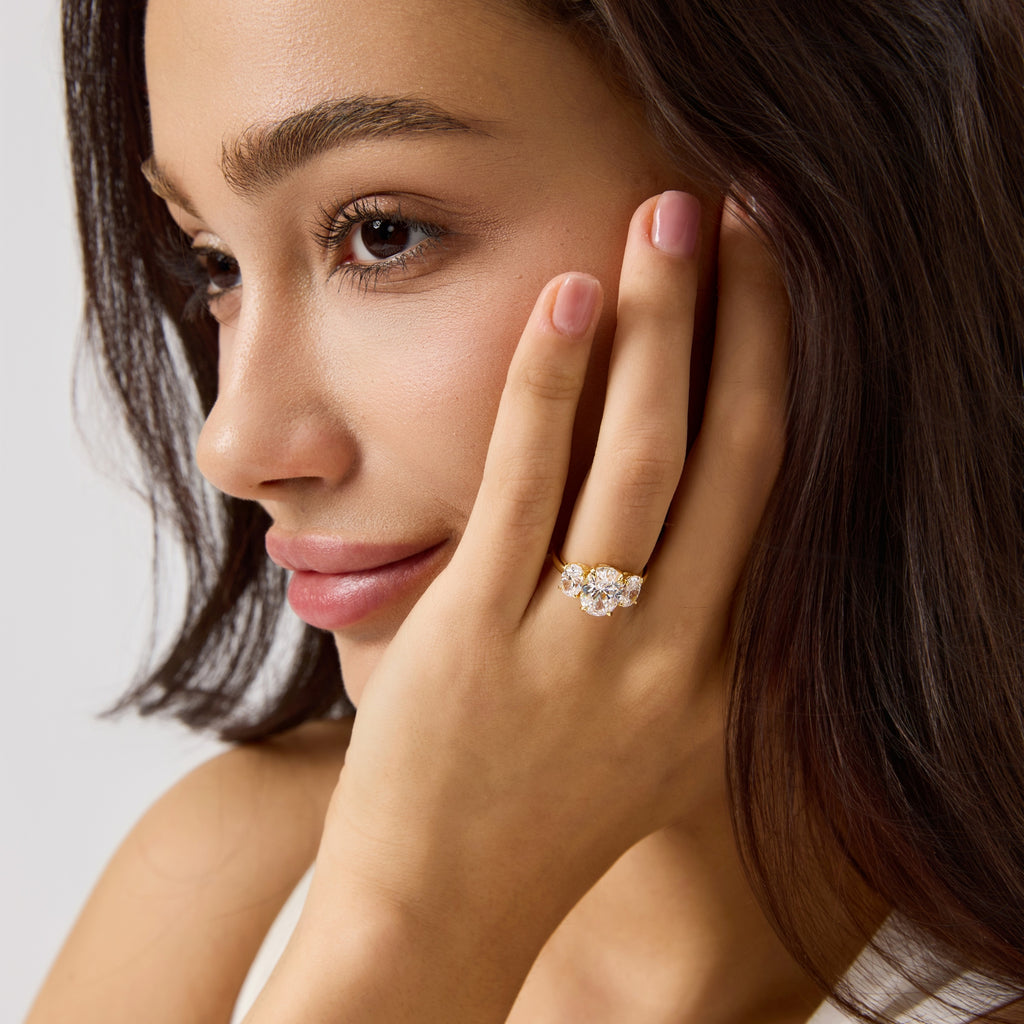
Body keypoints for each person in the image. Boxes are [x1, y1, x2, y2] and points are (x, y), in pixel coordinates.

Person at [27, 0, 1024, 1021]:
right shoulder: (228, 870)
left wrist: (418, 933)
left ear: (808, 219)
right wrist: (417, 922)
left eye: (382, 234)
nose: (232, 446)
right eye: (215, 262)